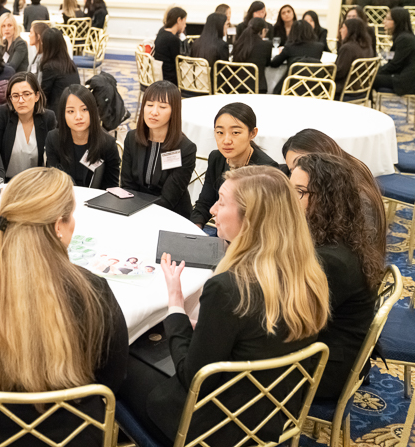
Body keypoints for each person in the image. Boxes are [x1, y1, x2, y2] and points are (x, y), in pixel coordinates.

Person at [119, 166, 329, 446]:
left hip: (215, 429)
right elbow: (254, 336)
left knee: (121, 359)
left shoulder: (230, 288)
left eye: (221, 201)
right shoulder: (309, 275)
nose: (213, 210)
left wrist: (176, 305)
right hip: (272, 415)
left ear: (250, 218)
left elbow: (193, 377)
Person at [0, 167, 128, 447]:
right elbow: (110, 384)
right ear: (58, 225)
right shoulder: (92, 292)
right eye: (71, 215)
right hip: (70, 437)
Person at [290, 153, 384, 399]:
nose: (288, 200)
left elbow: (292, 322)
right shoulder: (336, 235)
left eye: (299, 192)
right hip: (326, 345)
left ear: (326, 201)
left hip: (326, 367)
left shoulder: (332, 260)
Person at [280, 129, 387, 277]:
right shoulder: (345, 172)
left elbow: (352, 251)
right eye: (292, 169)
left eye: (304, 163)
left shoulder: (358, 196)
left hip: (354, 273)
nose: (299, 170)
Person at [190, 102, 278, 228]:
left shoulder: (265, 169)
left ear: (252, 133)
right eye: (220, 132)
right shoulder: (216, 158)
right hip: (219, 228)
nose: (226, 140)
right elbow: (204, 204)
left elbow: (261, 224)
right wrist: (194, 231)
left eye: (235, 132)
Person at [121, 82, 196, 217]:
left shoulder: (185, 149)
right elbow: (127, 186)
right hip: (134, 211)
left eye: (162, 107)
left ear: (174, 111)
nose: (154, 112)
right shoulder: (132, 138)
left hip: (171, 215)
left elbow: (168, 199)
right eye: (149, 105)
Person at [45, 85, 120, 189]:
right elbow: (54, 180)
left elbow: (112, 187)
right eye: (71, 111)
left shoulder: (107, 143)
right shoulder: (53, 139)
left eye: (84, 109)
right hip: (64, 199)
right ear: (63, 115)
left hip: (97, 202)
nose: (78, 116)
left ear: (93, 111)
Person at [0, 72, 57, 179]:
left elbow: (53, 157)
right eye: (15, 96)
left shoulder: (48, 118)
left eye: (26, 94)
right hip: (6, 183)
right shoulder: (1, 115)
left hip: (37, 183)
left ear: (36, 96)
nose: (21, 100)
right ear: (10, 99)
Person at [268, 20, 324, 94]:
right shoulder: (319, 47)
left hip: (291, 87)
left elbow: (274, 64)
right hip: (314, 86)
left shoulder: (290, 47)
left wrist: (281, 53)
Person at [373, 7, 415, 95]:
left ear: (397, 21)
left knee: (371, 79)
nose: (384, 21)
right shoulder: (402, 37)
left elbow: (394, 64)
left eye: (388, 19)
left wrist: (375, 71)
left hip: (405, 81)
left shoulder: (405, 39)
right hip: (399, 76)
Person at [38, 28, 81, 112]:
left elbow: (44, 95)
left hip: (58, 111)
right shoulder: (70, 63)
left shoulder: (50, 66)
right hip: (74, 106)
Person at [231, 17, 273, 93]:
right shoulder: (266, 45)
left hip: (236, 86)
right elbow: (267, 63)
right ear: (263, 30)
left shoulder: (239, 43)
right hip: (258, 87)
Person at [335, 19, 373, 99]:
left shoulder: (348, 48)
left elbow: (339, 73)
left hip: (345, 89)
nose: (340, 30)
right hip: (361, 88)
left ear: (350, 30)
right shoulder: (368, 47)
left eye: (343, 27)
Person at [154, 7, 187, 85]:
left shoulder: (161, 31)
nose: (185, 25)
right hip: (170, 78)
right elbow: (179, 61)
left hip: (160, 73)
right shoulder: (172, 39)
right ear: (179, 20)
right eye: (184, 22)